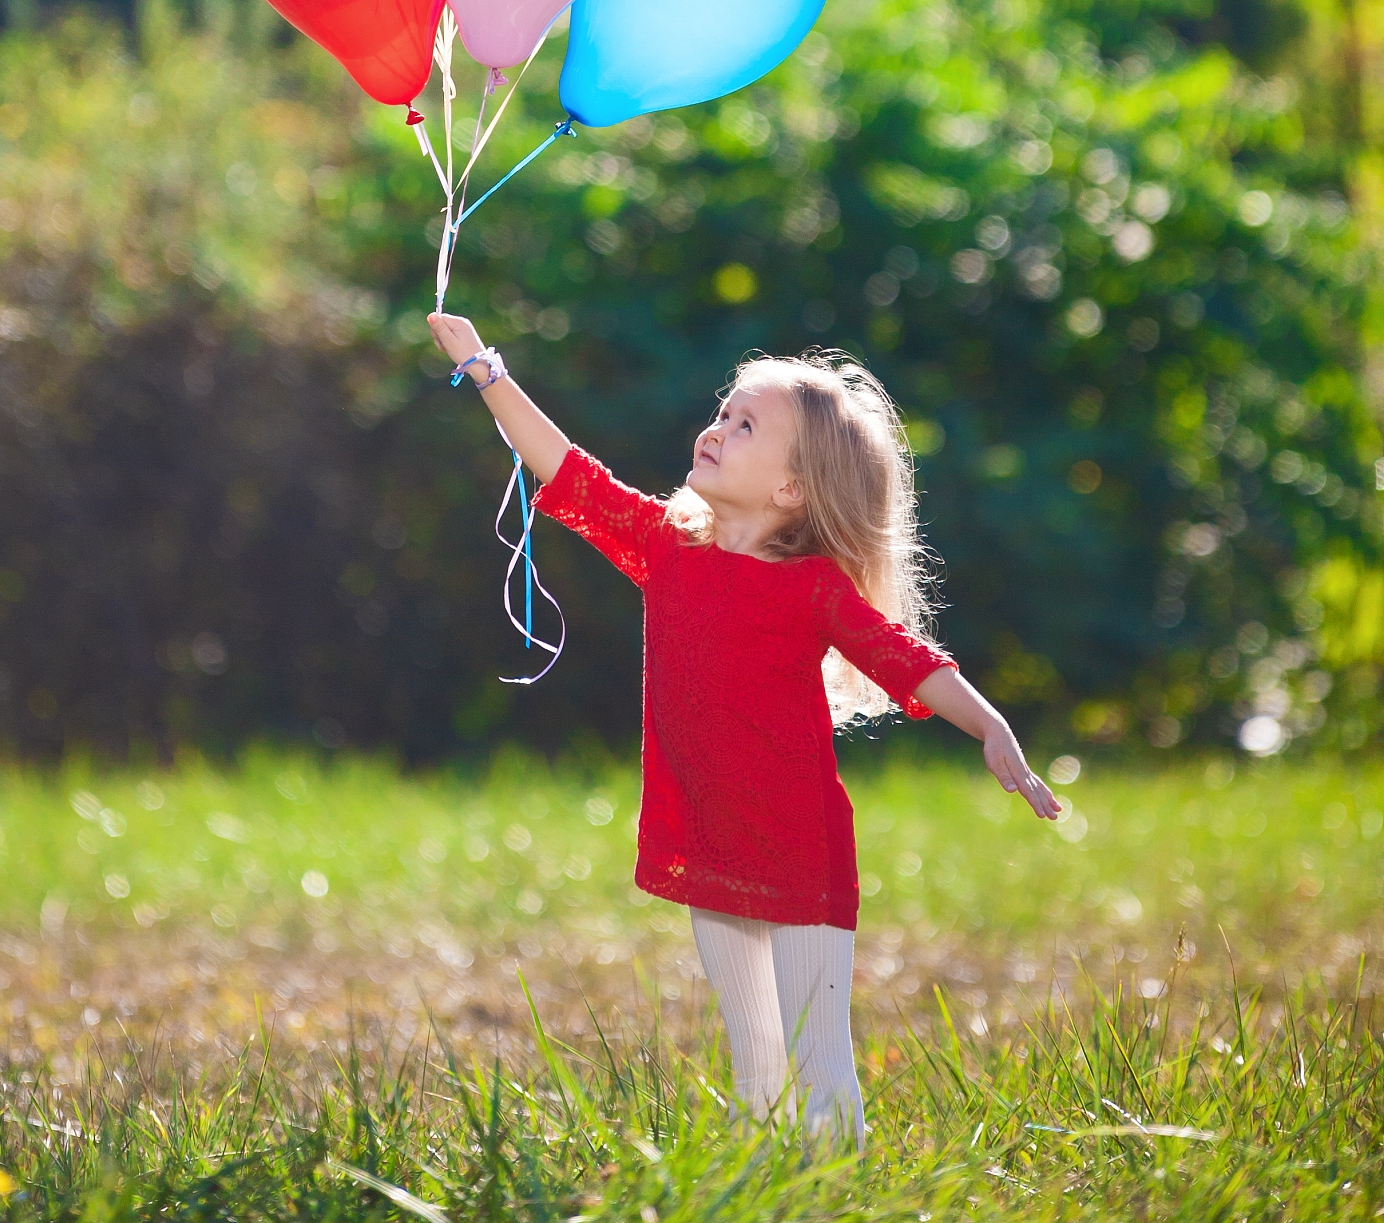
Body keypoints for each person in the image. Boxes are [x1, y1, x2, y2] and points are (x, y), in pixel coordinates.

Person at [427, 309, 1062, 1155]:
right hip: (708, 837)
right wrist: (483, 368)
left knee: (816, 1056)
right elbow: (566, 472)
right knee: (756, 1056)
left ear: (792, 490)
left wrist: (990, 725)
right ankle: (765, 1197)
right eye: (724, 411)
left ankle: (837, 1204)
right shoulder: (666, 549)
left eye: (745, 423)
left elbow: (906, 658)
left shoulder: (811, 590)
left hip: (801, 849)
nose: (717, 427)